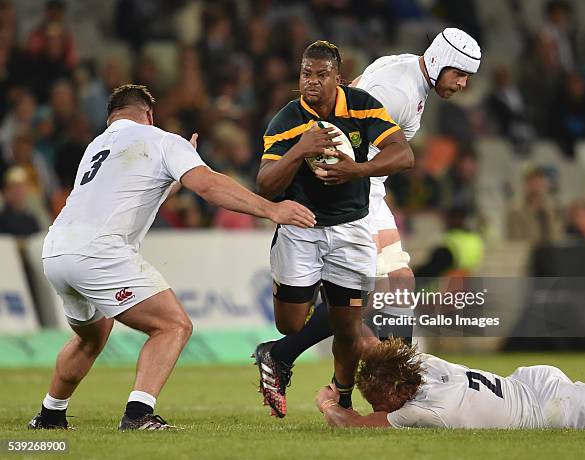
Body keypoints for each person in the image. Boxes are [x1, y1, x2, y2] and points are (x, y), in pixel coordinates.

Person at [28, 84, 315, 431]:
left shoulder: (96, 147)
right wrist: (271, 209)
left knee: (91, 336)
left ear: (111, 118)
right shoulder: (163, 140)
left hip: (56, 250)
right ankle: (138, 415)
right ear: (149, 114)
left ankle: (50, 415)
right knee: (173, 326)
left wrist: (175, 173)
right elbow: (208, 186)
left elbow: (130, 190)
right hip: (98, 252)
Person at [253, 28, 481, 417]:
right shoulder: (400, 94)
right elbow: (349, 142)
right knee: (381, 293)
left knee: (394, 288)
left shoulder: (407, 68)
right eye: (459, 73)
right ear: (441, 61)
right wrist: (347, 177)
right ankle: (401, 389)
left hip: (368, 188)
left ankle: (296, 358)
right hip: (358, 193)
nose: (462, 83)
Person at [253, 40, 414, 418]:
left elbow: (403, 155)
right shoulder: (287, 120)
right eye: (306, 74)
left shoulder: (362, 105)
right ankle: (274, 352)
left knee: (347, 323)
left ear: (337, 78)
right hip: (302, 228)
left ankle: (342, 398)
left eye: (321, 75)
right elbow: (265, 185)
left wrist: (354, 170)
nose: (311, 81)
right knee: (290, 324)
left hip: (352, 229)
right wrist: (299, 149)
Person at [315, 338, 585, 429]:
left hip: (550, 411)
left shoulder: (425, 410)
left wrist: (327, 402)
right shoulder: (425, 364)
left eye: (377, 401)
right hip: (532, 382)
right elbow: (376, 351)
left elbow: (354, 425)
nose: (376, 408)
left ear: (394, 392)